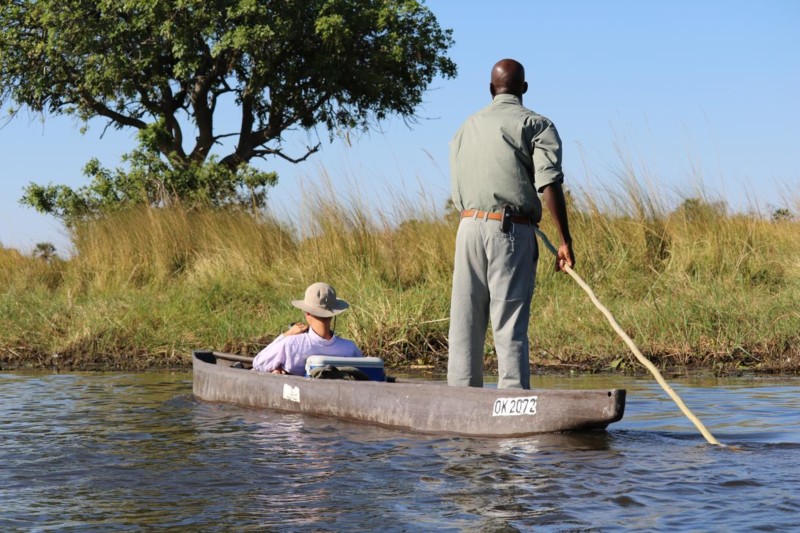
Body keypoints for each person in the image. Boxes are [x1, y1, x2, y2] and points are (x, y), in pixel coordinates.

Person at [447, 58, 575, 390]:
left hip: (467, 230)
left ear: (491, 90)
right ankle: (512, 405)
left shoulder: (465, 127)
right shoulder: (536, 124)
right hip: (510, 230)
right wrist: (565, 241)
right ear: (525, 89)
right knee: (509, 322)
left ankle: (460, 401)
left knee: (465, 322)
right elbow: (549, 184)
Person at [252, 282, 362, 375]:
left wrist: (286, 335)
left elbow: (258, 363)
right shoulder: (350, 348)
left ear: (307, 313)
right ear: (333, 314)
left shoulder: (290, 344)